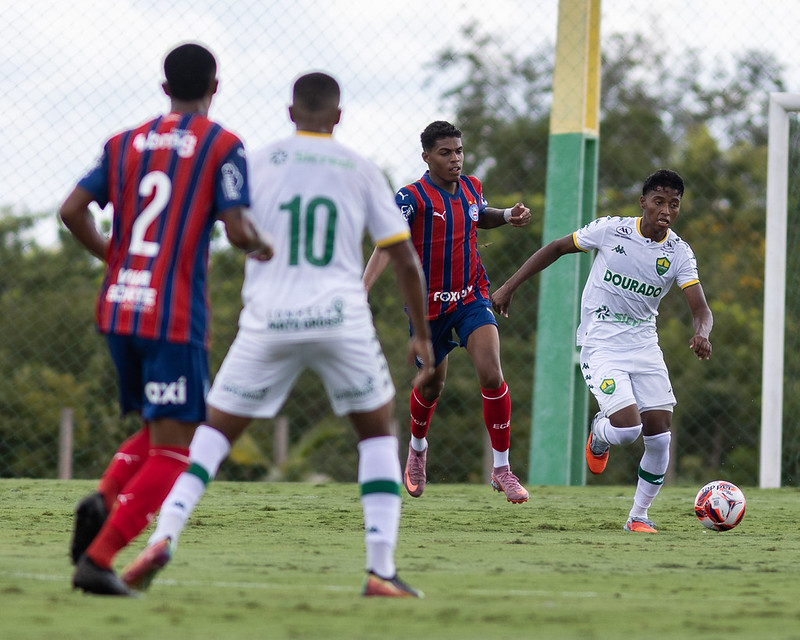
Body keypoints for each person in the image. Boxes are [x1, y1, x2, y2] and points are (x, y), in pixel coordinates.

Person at [120, 72, 434, 598]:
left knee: (213, 435)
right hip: (341, 319)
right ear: (337, 117)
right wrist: (421, 335)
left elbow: (233, 229)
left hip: (268, 320)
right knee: (378, 434)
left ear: (291, 113)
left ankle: (165, 533)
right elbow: (403, 258)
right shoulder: (360, 169)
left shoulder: (255, 161)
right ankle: (380, 569)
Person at [59, 42, 274, 596]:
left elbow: (70, 211)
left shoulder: (124, 142)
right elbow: (237, 229)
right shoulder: (223, 144)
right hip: (172, 315)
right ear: (215, 85)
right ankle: (101, 558)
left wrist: (116, 257)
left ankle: (103, 498)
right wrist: (264, 246)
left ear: (163, 87)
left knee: (159, 431)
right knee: (178, 448)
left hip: (119, 305)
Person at [491, 169, 713, 532]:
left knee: (660, 433)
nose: (666, 211)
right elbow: (557, 248)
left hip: (644, 344)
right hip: (601, 342)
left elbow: (700, 309)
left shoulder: (678, 253)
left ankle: (638, 517)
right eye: (659, 202)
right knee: (627, 430)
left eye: (674, 204)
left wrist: (701, 333)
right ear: (643, 202)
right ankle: (599, 433)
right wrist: (509, 286)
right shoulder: (612, 230)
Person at [363, 120, 531, 503]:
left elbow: (479, 213)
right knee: (432, 384)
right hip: (427, 310)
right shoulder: (411, 198)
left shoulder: (472, 187)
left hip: (471, 297)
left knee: (491, 372)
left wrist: (506, 216)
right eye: (445, 153)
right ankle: (418, 449)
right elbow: (386, 246)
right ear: (427, 157)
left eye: (458, 151)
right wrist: (362, 289)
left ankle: (502, 469)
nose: (455, 159)